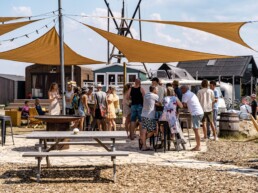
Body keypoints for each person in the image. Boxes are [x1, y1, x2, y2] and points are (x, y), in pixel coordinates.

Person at [181, 85, 204, 151]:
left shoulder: (185, 94)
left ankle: (198, 146)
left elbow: (183, 105)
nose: (181, 91)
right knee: (195, 129)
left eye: (181, 89)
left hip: (196, 113)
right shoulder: (191, 93)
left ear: (184, 89)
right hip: (199, 112)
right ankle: (198, 145)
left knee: (196, 130)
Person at [139, 86, 159, 151]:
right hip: (150, 115)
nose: (157, 90)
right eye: (157, 89)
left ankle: (144, 145)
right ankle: (142, 141)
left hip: (143, 114)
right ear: (154, 89)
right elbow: (160, 102)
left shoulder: (146, 95)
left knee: (144, 130)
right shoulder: (155, 96)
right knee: (154, 130)